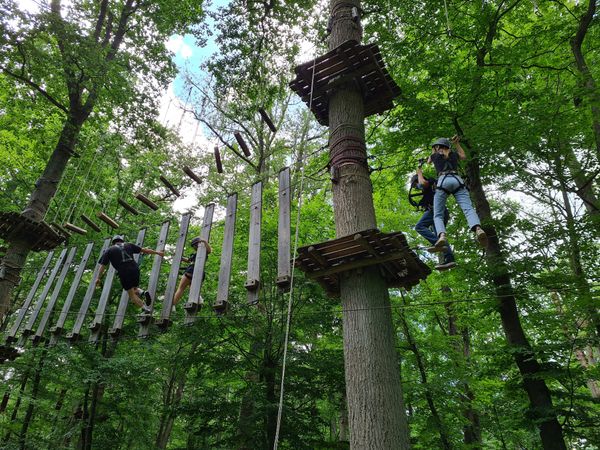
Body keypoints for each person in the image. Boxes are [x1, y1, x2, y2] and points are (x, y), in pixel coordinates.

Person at [427, 135, 487, 251]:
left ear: (437, 147)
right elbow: (463, 156)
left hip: (442, 182)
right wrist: (456, 144)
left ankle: (442, 235)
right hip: (457, 181)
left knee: (438, 214)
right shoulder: (454, 154)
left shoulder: (434, 155)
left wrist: (434, 150)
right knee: (468, 208)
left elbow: (428, 162)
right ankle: (478, 229)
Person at [95, 235, 165, 314]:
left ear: (113, 242)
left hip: (123, 272)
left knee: (131, 294)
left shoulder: (109, 250)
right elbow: (144, 250)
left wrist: (98, 277)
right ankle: (142, 292)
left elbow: (102, 266)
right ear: (122, 241)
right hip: (135, 269)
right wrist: (158, 253)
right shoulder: (129, 245)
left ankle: (145, 309)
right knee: (134, 289)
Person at [412, 162, 456, 271]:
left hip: (435, 211)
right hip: (440, 212)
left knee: (419, 226)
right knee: (440, 235)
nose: (416, 188)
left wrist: (419, 172)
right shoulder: (428, 191)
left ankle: (437, 244)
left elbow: (422, 183)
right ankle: (449, 258)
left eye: (414, 185)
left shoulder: (430, 182)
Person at [172, 237, 212, 312]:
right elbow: (187, 260)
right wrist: (178, 256)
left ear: (196, 245)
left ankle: (173, 304)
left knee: (181, 288)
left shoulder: (203, 252)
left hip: (191, 271)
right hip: (198, 272)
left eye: (194, 246)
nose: (194, 247)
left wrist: (204, 242)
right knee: (192, 288)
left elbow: (209, 250)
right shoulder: (197, 254)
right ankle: (199, 299)